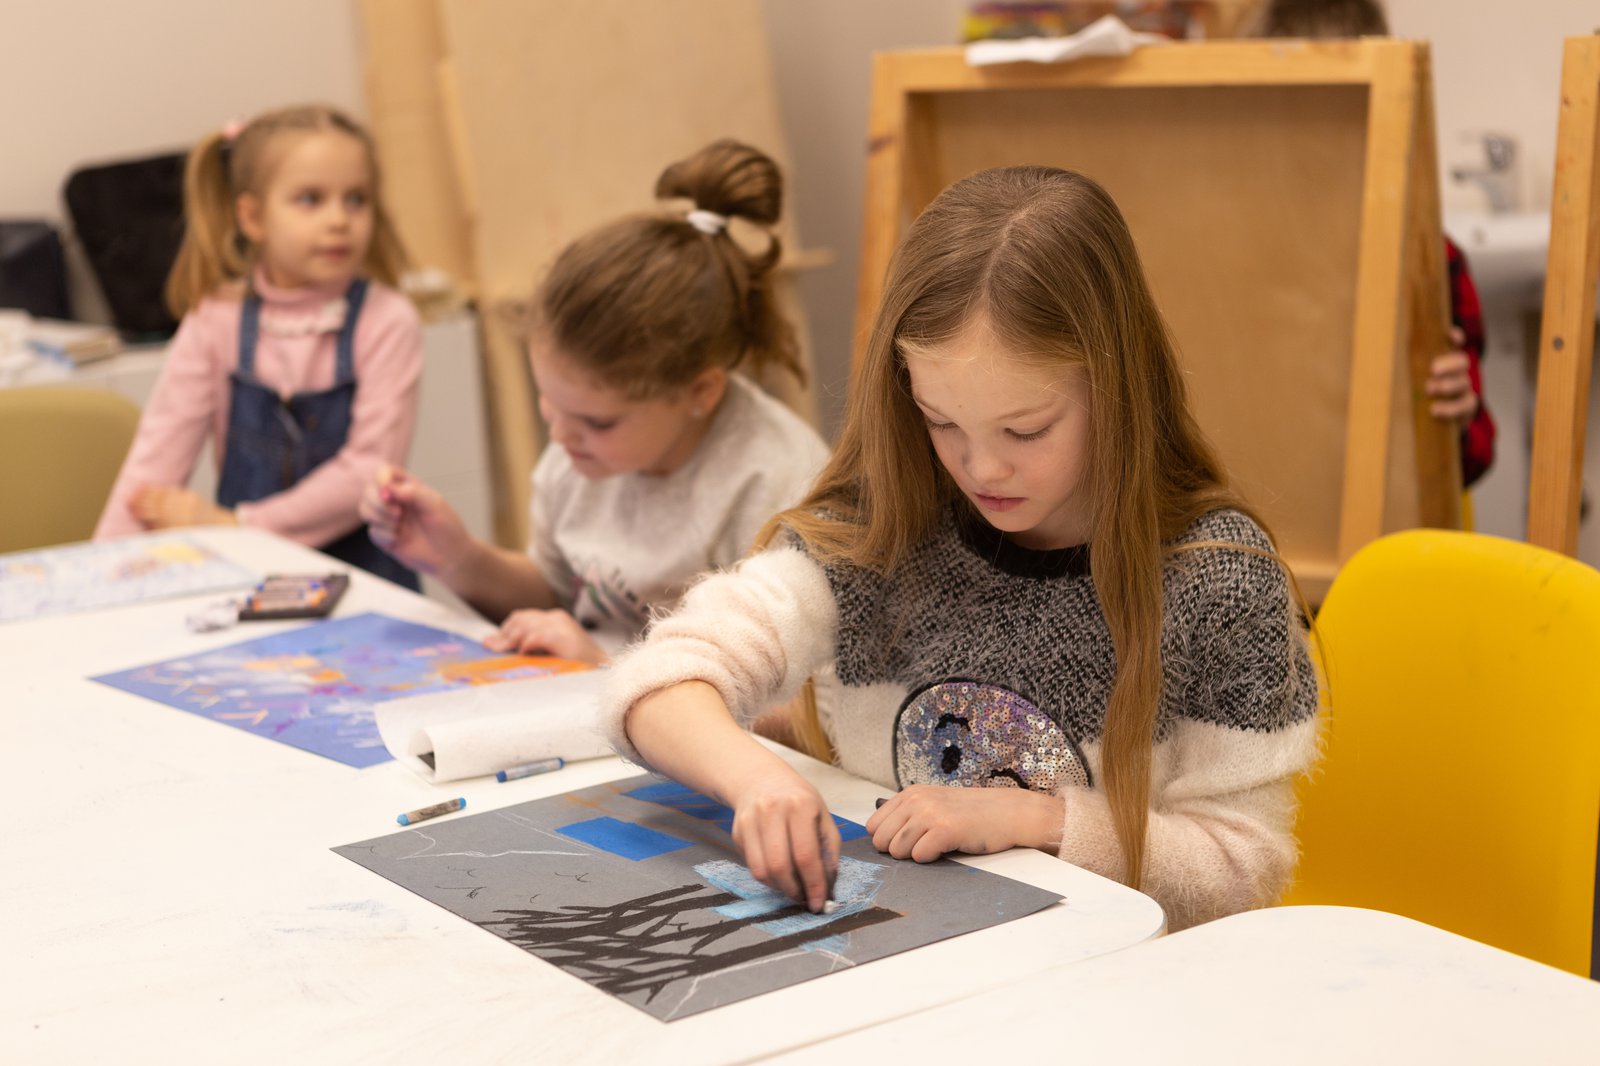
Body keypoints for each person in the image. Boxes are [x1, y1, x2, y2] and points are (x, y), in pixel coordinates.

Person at [600, 166, 1322, 931]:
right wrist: (756, 779)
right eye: (941, 421)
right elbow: (658, 679)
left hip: (1107, 975)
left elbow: (1244, 870)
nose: (982, 469)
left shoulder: (1219, 580)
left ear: (1118, 389)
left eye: (1026, 430)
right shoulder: (876, 530)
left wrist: (1036, 821)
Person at [361, 140, 830, 665]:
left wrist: (605, 669)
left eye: (598, 422)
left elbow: (797, 699)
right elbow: (553, 594)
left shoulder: (775, 486)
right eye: (548, 403)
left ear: (701, 392)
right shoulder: (580, 450)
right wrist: (457, 559)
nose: (560, 435)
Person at [95, 105, 422, 587]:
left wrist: (237, 526)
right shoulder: (215, 320)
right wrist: (100, 572)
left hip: (368, 581)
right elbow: (157, 458)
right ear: (252, 216)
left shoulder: (387, 320)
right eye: (311, 199)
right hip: (250, 577)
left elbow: (368, 470)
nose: (339, 219)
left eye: (356, 199)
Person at [1243, 0, 1497, 486]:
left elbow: (1477, 453)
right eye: (1291, 116)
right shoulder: (1234, 252)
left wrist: (1460, 414)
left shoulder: (1429, 259)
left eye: (1331, 117)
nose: (1312, 145)